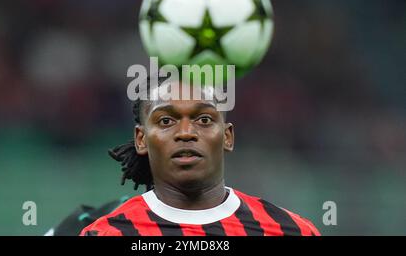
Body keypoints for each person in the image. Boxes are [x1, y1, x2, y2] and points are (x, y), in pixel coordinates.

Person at [80, 77, 320, 236]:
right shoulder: (107, 233)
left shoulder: (292, 231)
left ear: (227, 137)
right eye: (166, 121)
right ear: (141, 139)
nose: (186, 133)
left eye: (204, 120)